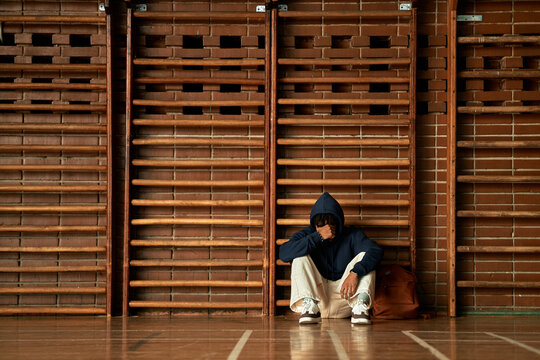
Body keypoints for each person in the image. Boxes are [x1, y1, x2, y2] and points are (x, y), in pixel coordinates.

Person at [279, 192, 383, 325]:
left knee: (366, 257)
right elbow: (283, 253)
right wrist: (318, 237)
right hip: (317, 301)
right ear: (315, 225)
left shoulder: (351, 235)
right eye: (322, 225)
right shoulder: (309, 234)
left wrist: (355, 273)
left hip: (346, 300)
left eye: (331, 224)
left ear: (339, 223)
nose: (328, 229)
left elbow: (376, 251)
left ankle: (360, 307)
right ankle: (310, 307)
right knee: (299, 256)